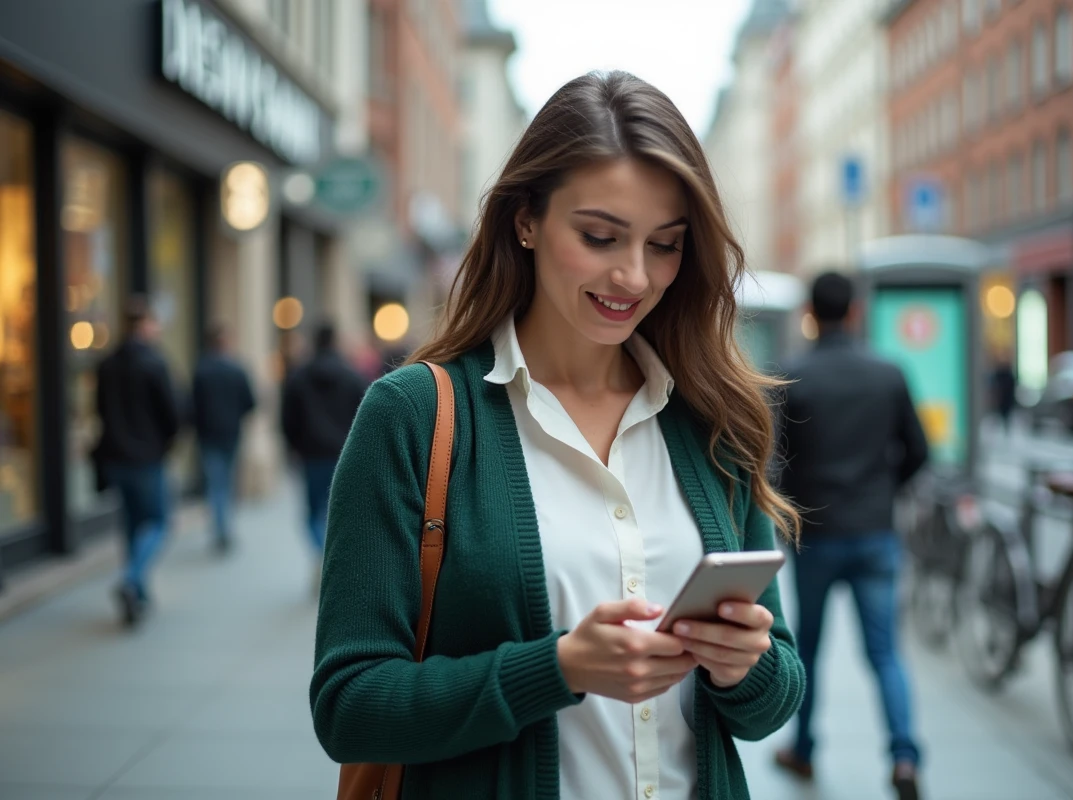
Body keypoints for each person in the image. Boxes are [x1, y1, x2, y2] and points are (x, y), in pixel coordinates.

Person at [310, 71, 805, 800]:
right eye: (600, 236)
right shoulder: (412, 415)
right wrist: (559, 667)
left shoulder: (711, 417)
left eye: (665, 245)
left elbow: (773, 702)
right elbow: (349, 708)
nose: (633, 275)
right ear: (526, 221)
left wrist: (744, 667)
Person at [773, 271, 929, 800]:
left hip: (815, 533)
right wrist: (883, 490)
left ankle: (803, 749)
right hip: (875, 531)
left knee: (808, 648)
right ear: (856, 311)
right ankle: (904, 757)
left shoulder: (793, 375)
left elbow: (774, 461)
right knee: (885, 653)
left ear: (810, 313)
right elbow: (919, 451)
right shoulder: (888, 373)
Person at [94, 296, 180, 627]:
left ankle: (138, 594)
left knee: (131, 525)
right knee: (158, 522)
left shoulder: (107, 364)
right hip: (146, 458)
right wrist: (166, 443)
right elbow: (171, 413)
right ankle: (132, 579)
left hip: (116, 458)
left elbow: (100, 410)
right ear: (144, 325)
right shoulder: (154, 363)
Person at [281, 322, 368, 589]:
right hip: (344, 454)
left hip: (311, 455)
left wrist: (294, 447)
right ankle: (329, 559)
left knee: (312, 513)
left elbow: (287, 418)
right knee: (339, 513)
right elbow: (365, 416)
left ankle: (322, 554)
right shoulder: (352, 376)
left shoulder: (299, 377)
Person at [192, 324, 257, 554]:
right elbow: (250, 403)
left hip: (208, 435)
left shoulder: (202, 370)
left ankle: (220, 528)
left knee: (215, 483)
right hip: (230, 434)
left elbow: (193, 406)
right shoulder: (236, 369)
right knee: (227, 482)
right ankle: (224, 528)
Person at [989, 354, 1017, 434]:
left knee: (1005, 415)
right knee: (1002, 415)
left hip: (1006, 399)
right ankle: (1001, 429)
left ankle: (1003, 429)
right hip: (1003, 399)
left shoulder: (1007, 375)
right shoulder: (1002, 374)